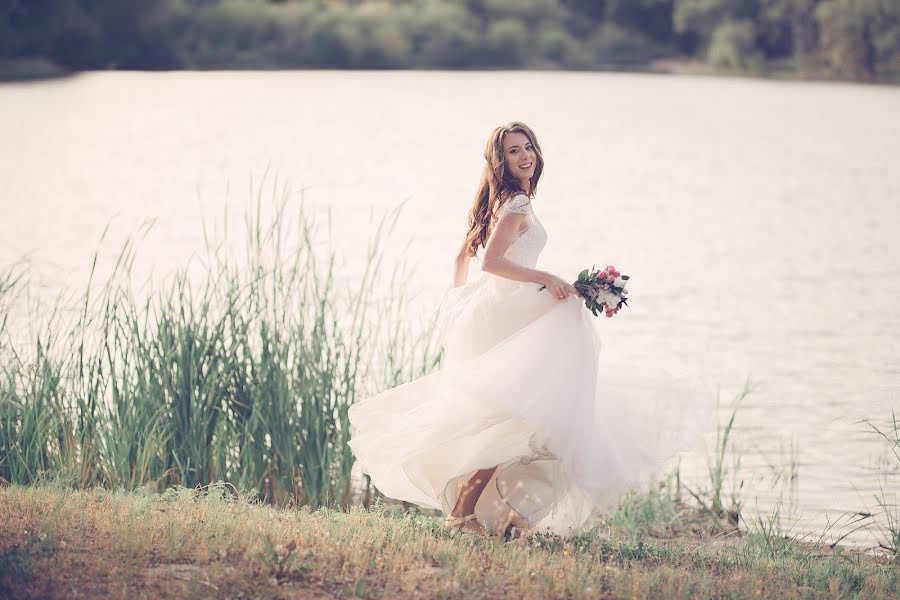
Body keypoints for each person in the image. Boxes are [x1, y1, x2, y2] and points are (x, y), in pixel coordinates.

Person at [347, 121, 700, 540]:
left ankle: (498, 514)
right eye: (514, 150)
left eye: (528, 146)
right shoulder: (513, 203)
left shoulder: (506, 201)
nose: (525, 155)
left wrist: (469, 299)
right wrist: (545, 277)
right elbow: (491, 263)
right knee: (528, 416)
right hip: (510, 313)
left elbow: (464, 256)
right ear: (502, 161)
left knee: (521, 421)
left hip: (507, 309)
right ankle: (470, 512)